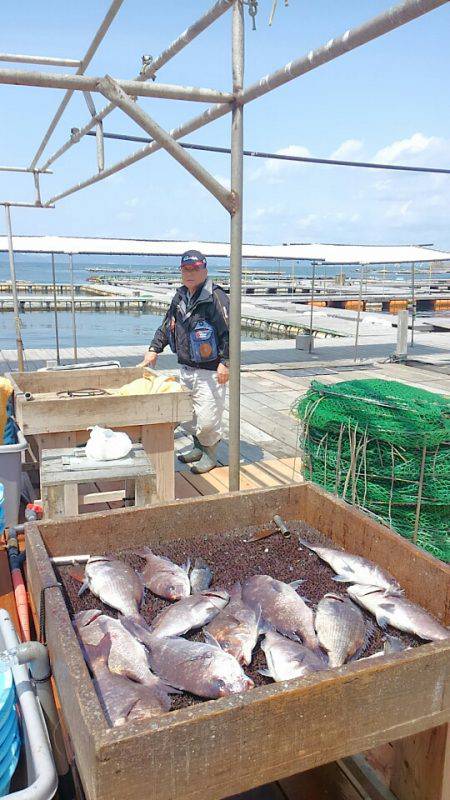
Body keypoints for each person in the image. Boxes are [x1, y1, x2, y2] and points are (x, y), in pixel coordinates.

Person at [140, 250, 229, 473]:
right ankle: (198, 447)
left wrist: (226, 362)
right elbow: (166, 325)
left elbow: (230, 332)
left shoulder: (216, 297)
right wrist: (154, 349)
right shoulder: (179, 297)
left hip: (211, 371)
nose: (190, 273)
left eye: (195, 269)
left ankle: (210, 454)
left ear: (205, 271)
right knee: (189, 415)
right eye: (186, 269)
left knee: (208, 418)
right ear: (181, 271)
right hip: (187, 367)